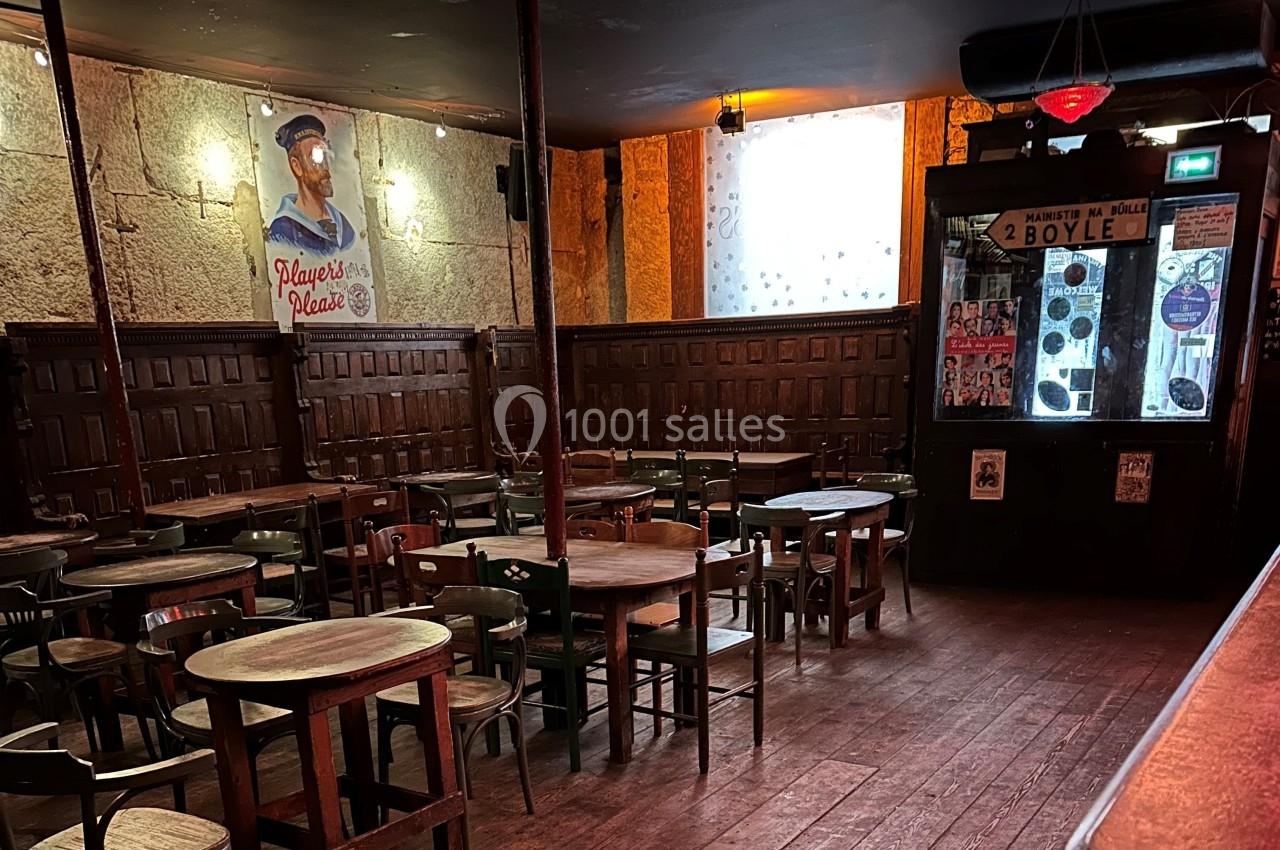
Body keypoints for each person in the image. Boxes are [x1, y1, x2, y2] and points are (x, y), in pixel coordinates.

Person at [267, 114, 356, 255]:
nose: (325, 167)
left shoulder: (344, 227)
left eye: (324, 156)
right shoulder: (283, 231)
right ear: (297, 166)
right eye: (315, 158)